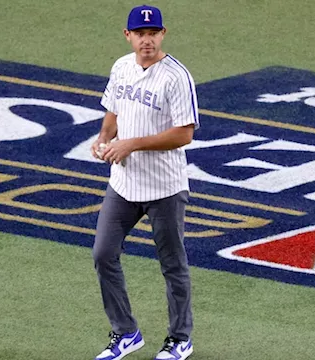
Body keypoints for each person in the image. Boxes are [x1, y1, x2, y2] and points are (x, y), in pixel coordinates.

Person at [91, 4, 199, 360]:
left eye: (153, 34)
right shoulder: (121, 67)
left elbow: (184, 134)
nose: (147, 40)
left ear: (163, 34)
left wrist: (131, 143)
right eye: (140, 33)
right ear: (128, 36)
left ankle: (180, 339)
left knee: (172, 264)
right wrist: (104, 139)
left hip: (165, 188)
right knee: (103, 254)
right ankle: (126, 333)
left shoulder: (176, 76)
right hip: (123, 184)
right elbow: (114, 112)